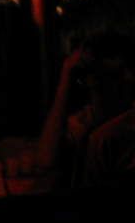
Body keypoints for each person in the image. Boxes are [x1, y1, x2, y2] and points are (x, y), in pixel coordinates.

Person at [35, 31, 135, 187]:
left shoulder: (124, 129)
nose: (94, 83)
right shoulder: (86, 119)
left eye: (109, 76)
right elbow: (45, 160)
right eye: (89, 76)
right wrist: (66, 79)